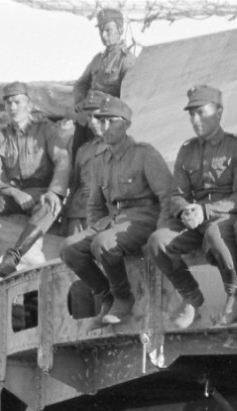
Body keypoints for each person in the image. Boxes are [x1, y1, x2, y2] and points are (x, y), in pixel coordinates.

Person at [0, 82, 71, 335]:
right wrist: (12, 192)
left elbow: (62, 162)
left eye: (17, 102)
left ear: (29, 105)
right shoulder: (1, 136)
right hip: (14, 194)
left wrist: (55, 191)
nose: (12, 107)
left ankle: (14, 256)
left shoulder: (46, 130)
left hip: (41, 194)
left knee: (51, 204)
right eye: (8, 102)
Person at [61, 95, 172, 325]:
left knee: (103, 243)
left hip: (143, 219)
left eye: (112, 121)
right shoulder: (99, 161)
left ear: (127, 124)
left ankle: (123, 298)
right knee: (70, 248)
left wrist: (162, 229)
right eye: (102, 121)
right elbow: (95, 205)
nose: (105, 127)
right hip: (113, 221)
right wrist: (94, 229)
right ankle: (108, 296)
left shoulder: (144, 154)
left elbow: (167, 195)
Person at [146, 85, 237, 329]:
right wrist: (185, 210)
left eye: (201, 112)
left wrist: (206, 211)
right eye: (191, 114)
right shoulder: (187, 151)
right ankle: (191, 296)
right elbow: (176, 194)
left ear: (219, 112)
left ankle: (236, 293)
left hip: (224, 217)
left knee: (215, 234)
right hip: (193, 220)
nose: (195, 119)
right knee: (158, 241)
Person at [63, 89, 111, 237]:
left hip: (108, 214)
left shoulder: (123, 147)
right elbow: (74, 186)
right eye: (89, 116)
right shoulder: (83, 150)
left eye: (97, 116)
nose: (92, 122)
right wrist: (65, 214)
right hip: (79, 214)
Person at [73, 8, 135, 105]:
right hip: (89, 110)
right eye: (101, 30)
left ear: (120, 30)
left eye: (108, 30)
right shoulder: (97, 59)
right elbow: (81, 85)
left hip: (111, 111)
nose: (103, 35)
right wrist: (79, 102)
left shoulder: (126, 60)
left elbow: (129, 97)